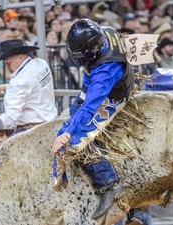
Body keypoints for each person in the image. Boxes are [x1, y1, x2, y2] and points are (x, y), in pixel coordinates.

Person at [50, 19, 134, 220]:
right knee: (73, 114)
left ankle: (110, 184)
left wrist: (69, 133)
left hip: (112, 95)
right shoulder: (104, 33)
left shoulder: (106, 71)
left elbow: (91, 105)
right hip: (94, 81)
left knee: (78, 138)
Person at [0, 39, 58, 133]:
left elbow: (10, 117)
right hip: (50, 124)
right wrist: (4, 87)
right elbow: (31, 86)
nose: (7, 67)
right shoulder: (41, 63)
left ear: (20, 57)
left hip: (29, 131)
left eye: (8, 63)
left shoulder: (19, 81)